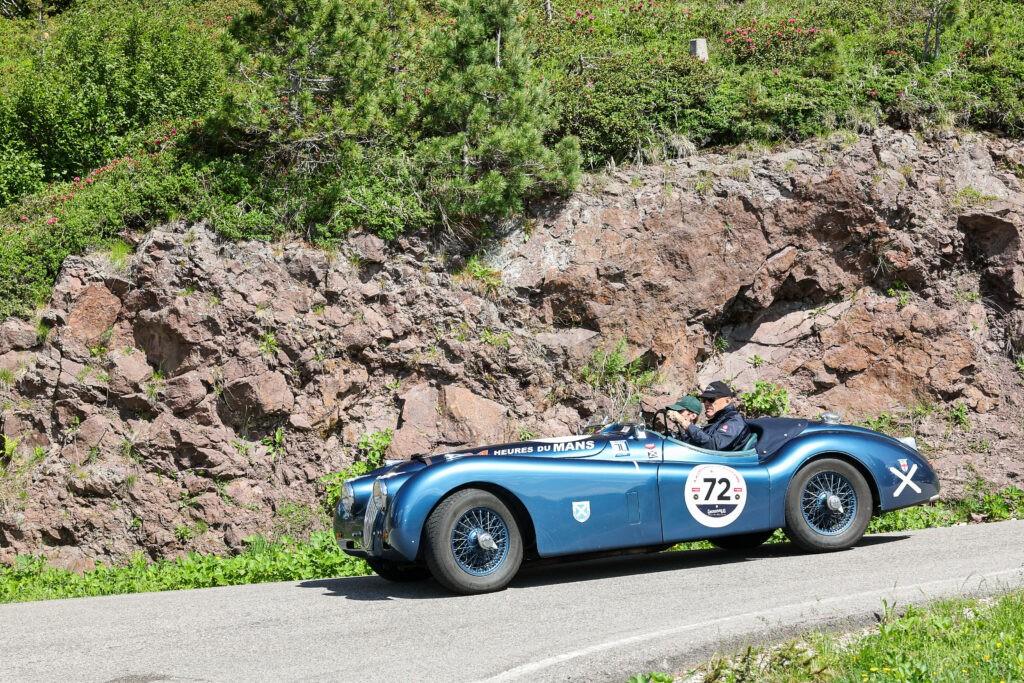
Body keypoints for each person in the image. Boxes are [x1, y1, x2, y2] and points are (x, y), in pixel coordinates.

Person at [670, 381, 750, 451]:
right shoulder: (717, 421)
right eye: (704, 400)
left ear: (727, 401)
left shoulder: (734, 421)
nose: (706, 403)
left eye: (711, 399)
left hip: (719, 465)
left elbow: (712, 446)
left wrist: (684, 423)